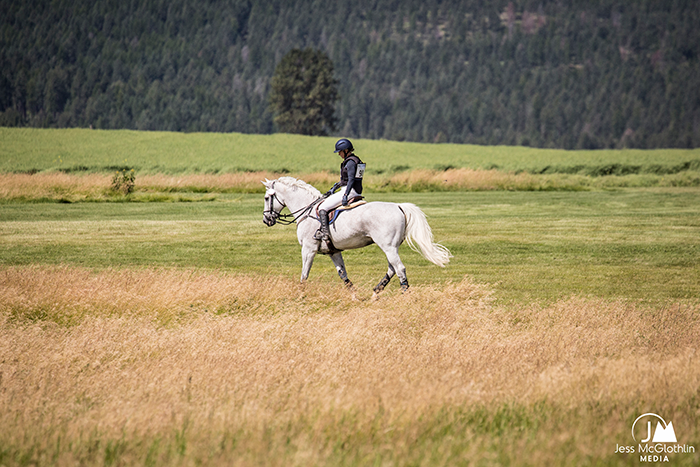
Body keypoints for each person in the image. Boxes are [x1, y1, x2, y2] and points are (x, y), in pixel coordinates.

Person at [314, 138, 365, 242]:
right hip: (354, 189)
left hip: (350, 190)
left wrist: (345, 195)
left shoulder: (350, 162)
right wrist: (333, 188)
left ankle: (325, 234)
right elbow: (346, 180)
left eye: (340, 152)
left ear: (346, 150)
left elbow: (351, 180)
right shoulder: (355, 160)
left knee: (322, 207)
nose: (339, 154)